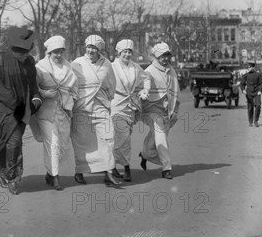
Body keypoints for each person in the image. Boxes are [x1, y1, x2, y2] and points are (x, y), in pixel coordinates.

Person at [0, 26, 42, 195]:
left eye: (26, 52)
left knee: (14, 142)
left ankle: (13, 177)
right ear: (12, 49)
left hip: (21, 110)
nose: (23, 56)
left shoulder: (29, 63)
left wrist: (36, 97)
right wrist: (14, 103)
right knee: (1, 143)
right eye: (19, 53)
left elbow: (32, 83)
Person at [70, 35, 121, 186]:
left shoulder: (107, 64)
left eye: (95, 48)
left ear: (99, 49)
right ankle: (79, 171)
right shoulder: (77, 63)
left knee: (109, 137)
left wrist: (107, 99)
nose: (91, 50)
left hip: (100, 104)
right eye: (89, 47)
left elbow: (112, 84)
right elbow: (71, 84)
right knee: (82, 141)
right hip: (82, 105)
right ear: (85, 47)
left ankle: (108, 171)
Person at [33, 35, 77, 191]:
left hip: (64, 110)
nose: (58, 55)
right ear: (49, 52)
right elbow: (33, 88)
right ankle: (56, 178)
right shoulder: (40, 67)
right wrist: (44, 94)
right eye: (55, 52)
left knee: (64, 147)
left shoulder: (68, 67)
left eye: (61, 52)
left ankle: (50, 173)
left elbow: (74, 87)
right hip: (46, 112)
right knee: (53, 144)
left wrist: (72, 98)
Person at [110, 39, 151, 182]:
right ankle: (126, 167)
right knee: (123, 137)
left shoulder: (135, 68)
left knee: (123, 137)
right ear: (119, 52)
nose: (127, 54)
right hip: (115, 106)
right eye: (124, 52)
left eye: (129, 52)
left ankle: (112, 166)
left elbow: (146, 79)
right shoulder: (112, 67)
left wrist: (144, 91)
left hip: (131, 107)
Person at [140, 42, 180, 180]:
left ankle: (145, 154)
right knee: (161, 135)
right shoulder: (149, 71)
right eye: (162, 56)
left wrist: (175, 109)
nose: (165, 59)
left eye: (167, 55)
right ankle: (166, 167)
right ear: (156, 57)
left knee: (155, 137)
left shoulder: (171, 70)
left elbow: (176, 91)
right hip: (152, 109)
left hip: (167, 111)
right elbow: (143, 88)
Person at [240, 60, 262, 127]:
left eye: (249, 67)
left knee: (258, 106)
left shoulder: (258, 74)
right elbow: (242, 84)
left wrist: (260, 91)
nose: (248, 69)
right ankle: (250, 122)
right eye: (248, 67)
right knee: (250, 107)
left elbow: (261, 84)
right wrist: (243, 90)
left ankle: (256, 121)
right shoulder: (245, 75)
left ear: (253, 67)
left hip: (257, 92)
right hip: (249, 93)